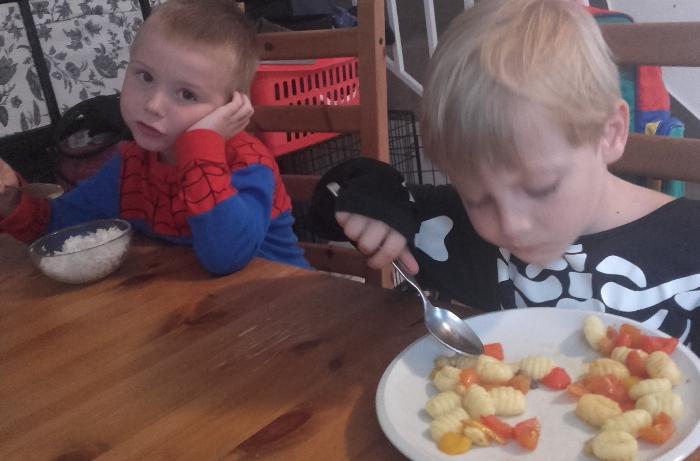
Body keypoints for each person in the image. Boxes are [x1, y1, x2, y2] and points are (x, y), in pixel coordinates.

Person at [310, 0, 699, 353]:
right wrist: (374, 202)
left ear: (610, 134)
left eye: (539, 188)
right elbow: (328, 204)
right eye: (476, 197)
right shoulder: (460, 234)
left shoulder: (689, 248)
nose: (511, 226)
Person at [0, 0, 308, 275]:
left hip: (280, 301)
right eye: (145, 76)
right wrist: (11, 199)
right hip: (195, 308)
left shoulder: (248, 164)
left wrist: (201, 144)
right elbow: (60, 227)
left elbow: (226, 257)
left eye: (186, 94)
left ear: (231, 109)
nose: (153, 105)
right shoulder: (130, 166)